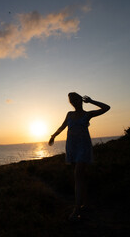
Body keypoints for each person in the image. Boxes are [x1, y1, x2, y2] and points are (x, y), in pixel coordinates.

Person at [48, 92, 110, 221]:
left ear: (80, 99)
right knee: (81, 176)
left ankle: (76, 210)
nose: (72, 102)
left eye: (74, 99)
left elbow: (106, 108)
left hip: (83, 147)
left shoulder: (88, 114)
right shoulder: (69, 114)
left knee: (77, 176)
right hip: (72, 147)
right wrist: (53, 136)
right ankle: (85, 203)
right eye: (70, 100)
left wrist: (91, 101)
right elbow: (62, 126)